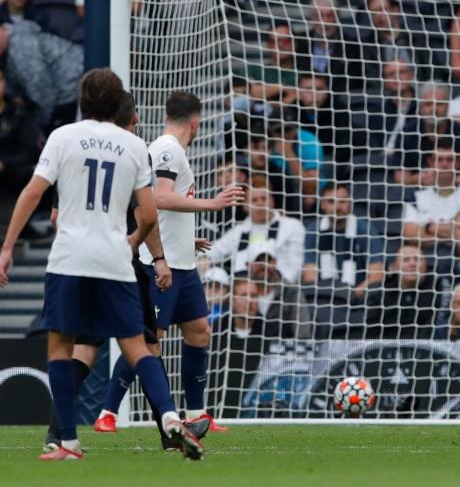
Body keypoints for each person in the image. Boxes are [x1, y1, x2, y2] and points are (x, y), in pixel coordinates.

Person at [0, 68, 202, 460]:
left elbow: (33, 191)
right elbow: (147, 215)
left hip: (70, 258)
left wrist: (8, 246)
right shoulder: (132, 146)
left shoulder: (63, 137)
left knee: (62, 348)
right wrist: (129, 245)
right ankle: (171, 418)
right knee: (139, 347)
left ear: (82, 100)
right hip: (114, 260)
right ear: (120, 105)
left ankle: (67, 442)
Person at [94, 92, 244, 435]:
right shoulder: (167, 148)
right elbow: (158, 197)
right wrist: (212, 203)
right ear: (196, 122)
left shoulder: (171, 149)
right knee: (149, 341)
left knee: (199, 330)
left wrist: (186, 240)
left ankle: (197, 413)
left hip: (183, 262)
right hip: (159, 264)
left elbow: (160, 208)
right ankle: (108, 411)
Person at [204, 185, 306, 283]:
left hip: (281, 289)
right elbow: (212, 251)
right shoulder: (238, 231)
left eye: (263, 199)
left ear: (272, 201)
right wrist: (204, 259)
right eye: (254, 200)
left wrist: (282, 287)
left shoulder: (292, 226)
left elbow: (296, 265)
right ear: (245, 206)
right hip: (242, 290)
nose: (260, 204)